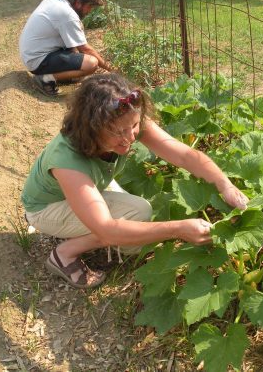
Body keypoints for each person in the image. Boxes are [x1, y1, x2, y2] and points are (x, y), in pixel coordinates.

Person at [21, 73, 249, 289]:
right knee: (139, 214)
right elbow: (107, 230)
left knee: (135, 222)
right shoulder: (66, 161)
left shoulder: (124, 118)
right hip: (45, 208)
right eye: (119, 133)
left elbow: (183, 155)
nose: (130, 137)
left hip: (86, 187)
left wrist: (224, 184)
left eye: (135, 126)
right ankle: (64, 253)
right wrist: (178, 229)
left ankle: (77, 227)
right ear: (91, 127)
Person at [19, 0, 112, 96]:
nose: (90, 11)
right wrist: (110, 68)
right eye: (89, 7)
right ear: (78, 3)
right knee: (91, 63)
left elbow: (75, 44)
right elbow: (85, 49)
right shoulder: (67, 16)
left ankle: (60, 76)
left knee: (78, 51)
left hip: (32, 53)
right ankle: (45, 79)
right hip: (38, 60)